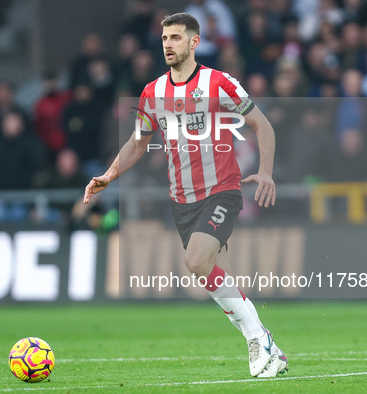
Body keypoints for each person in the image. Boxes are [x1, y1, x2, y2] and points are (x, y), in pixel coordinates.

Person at [84, 13, 287, 378]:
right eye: (164, 38)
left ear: (194, 43)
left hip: (222, 191)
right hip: (182, 200)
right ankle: (265, 343)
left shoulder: (218, 82)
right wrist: (110, 175)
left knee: (196, 261)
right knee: (205, 270)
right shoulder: (152, 92)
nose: (168, 44)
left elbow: (262, 124)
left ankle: (259, 339)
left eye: (176, 38)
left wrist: (267, 171)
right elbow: (138, 141)